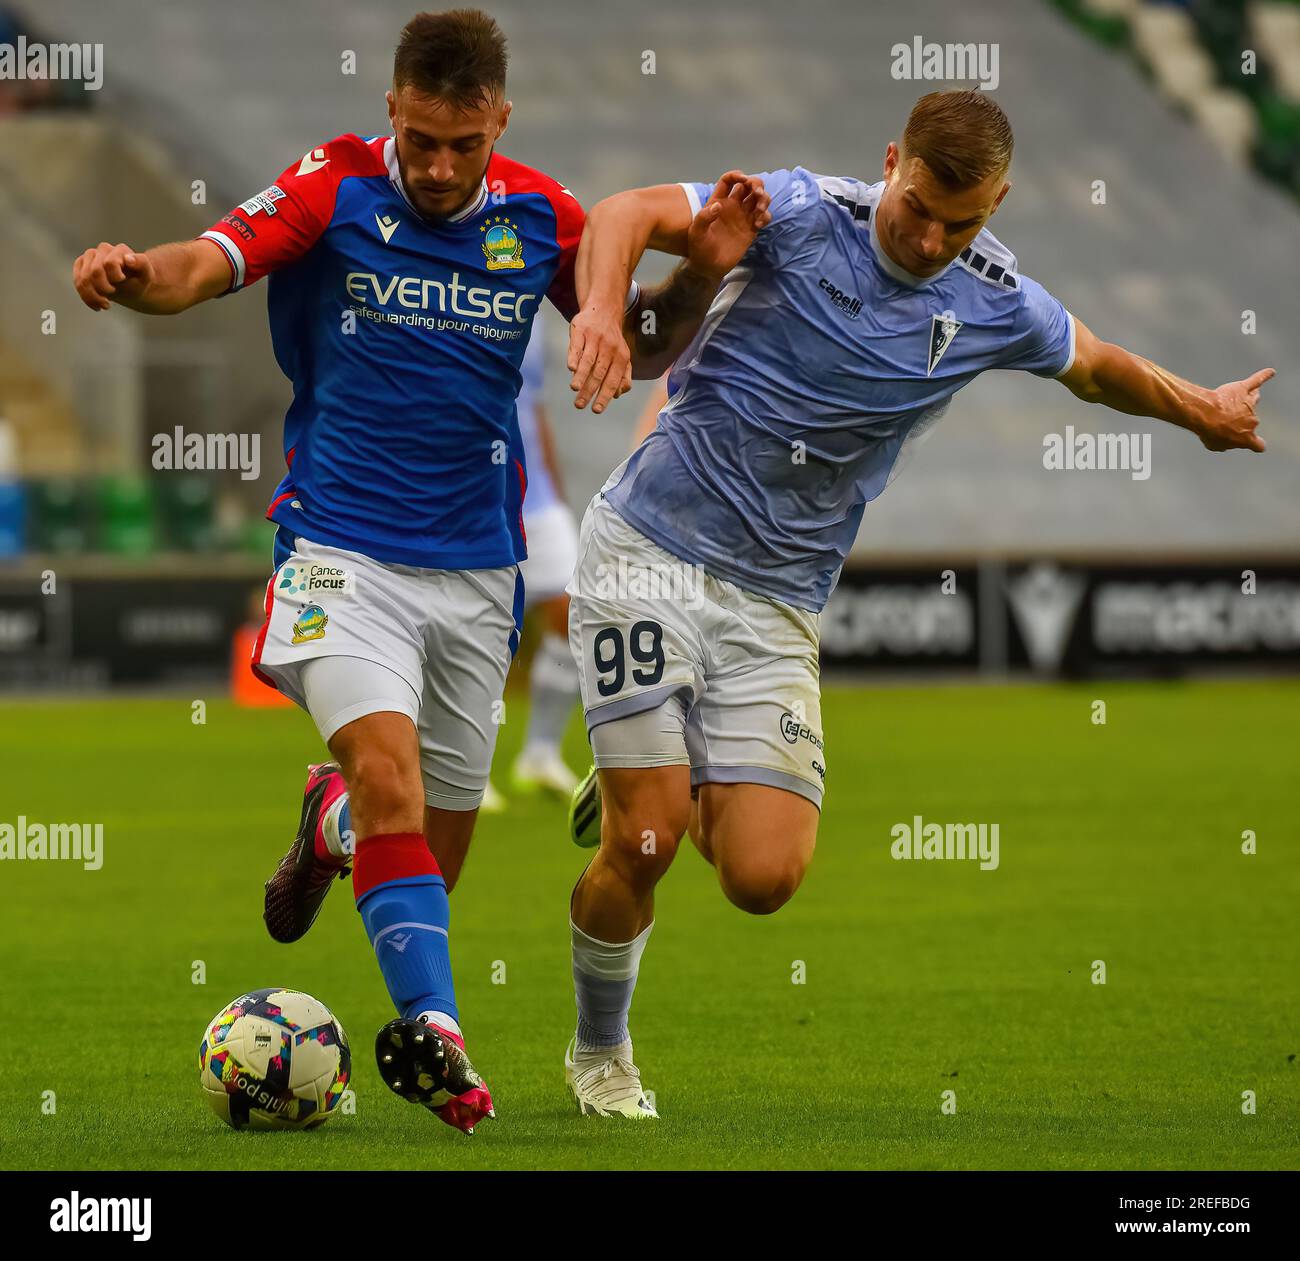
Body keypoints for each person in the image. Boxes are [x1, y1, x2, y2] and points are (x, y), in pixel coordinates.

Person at [72, 7, 768, 1135]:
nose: (441, 168)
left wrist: (699, 282)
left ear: (499, 119)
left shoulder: (543, 216)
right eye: (422, 139)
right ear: (391, 108)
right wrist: (131, 271)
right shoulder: (331, 186)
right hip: (340, 549)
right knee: (396, 780)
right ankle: (437, 1039)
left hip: (475, 568)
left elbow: (639, 342)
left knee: (427, 859)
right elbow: (204, 265)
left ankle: (332, 825)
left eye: (465, 143)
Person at [559, 88, 1272, 1118]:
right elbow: (625, 209)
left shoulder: (994, 300)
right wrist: (596, 309)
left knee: (761, 878)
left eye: (963, 220)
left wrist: (1200, 409)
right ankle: (600, 1051)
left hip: (778, 600)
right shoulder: (800, 214)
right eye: (917, 208)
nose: (932, 237)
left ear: (1000, 203)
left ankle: (657, 760)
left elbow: (1098, 367)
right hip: (648, 552)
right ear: (890, 162)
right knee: (646, 843)